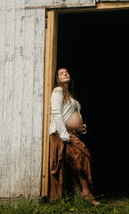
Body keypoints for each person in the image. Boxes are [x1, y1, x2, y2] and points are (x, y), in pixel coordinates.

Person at [48, 67, 99, 205]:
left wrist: (82, 128)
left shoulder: (70, 94)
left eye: (67, 72)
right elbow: (57, 113)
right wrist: (64, 136)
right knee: (82, 158)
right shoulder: (58, 91)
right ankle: (86, 194)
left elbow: (75, 114)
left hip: (72, 133)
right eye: (61, 73)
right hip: (61, 133)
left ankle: (80, 195)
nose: (65, 74)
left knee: (73, 165)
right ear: (57, 79)